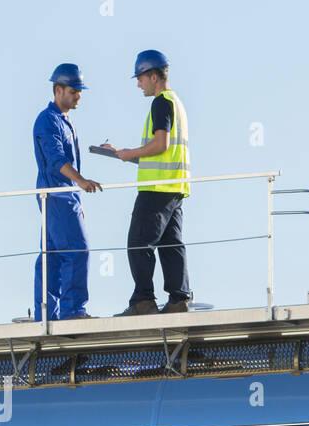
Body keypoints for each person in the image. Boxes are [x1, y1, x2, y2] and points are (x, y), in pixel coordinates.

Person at [104, 50, 192, 316]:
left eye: (140, 78)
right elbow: (162, 152)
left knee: (138, 244)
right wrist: (124, 154)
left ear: (154, 76)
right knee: (171, 245)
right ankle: (179, 300)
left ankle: (143, 300)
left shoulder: (161, 102)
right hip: (174, 188)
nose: (138, 83)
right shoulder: (176, 103)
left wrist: (131, 152)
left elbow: (160, 144)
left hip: (156, 189)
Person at [31, 63, 102, 321]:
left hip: (62, 196)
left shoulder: (62, 120)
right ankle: (73, 311)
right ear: (58, 89)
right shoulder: (48, 120)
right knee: (77, 250)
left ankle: (46, 314)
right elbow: (56, 160)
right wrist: (80, 182)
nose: (78, 95)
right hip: (57, 195)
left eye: (79, 91)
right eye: (74, 90)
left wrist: (76, 195)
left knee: (51, 256)